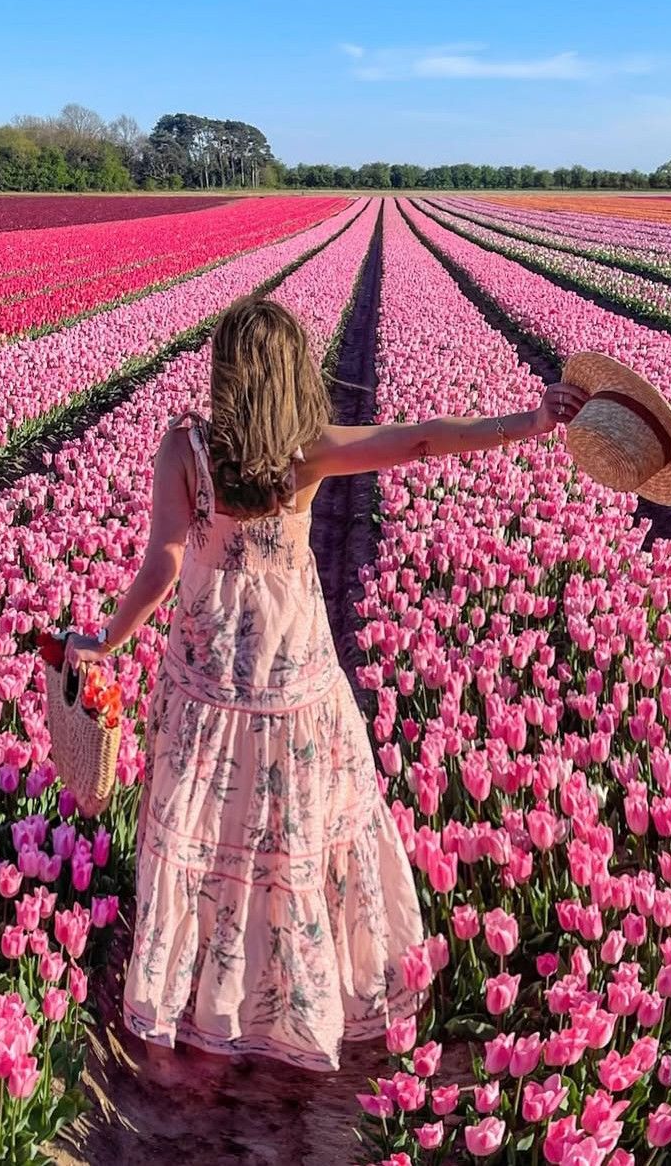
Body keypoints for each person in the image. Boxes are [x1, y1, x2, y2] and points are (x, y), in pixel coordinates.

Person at [64, 296, 587, 1080]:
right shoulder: (307, 454)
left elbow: (164, 562)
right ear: (291, 376)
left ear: (226, 374)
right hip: (291, 674)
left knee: (204, 823)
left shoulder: (185, 447)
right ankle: (293, 997)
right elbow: (417, 442)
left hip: (207, 671)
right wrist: (527, 421)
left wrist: (106, 638)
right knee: (292, 829)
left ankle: (202, 994)